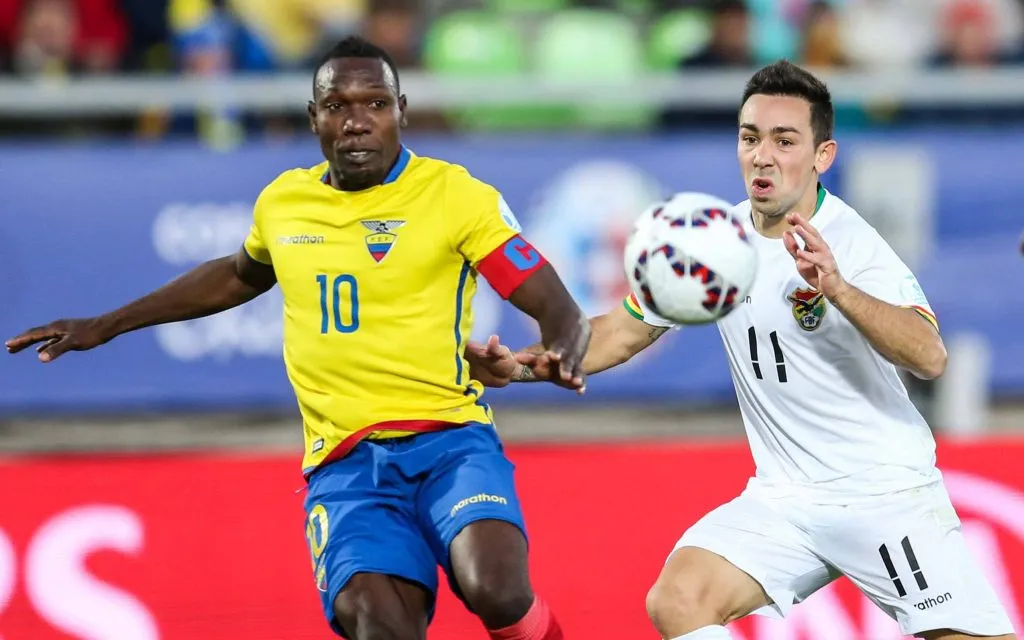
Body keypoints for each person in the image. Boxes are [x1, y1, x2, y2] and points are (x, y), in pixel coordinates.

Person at [6, 36, 589, 640]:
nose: (357, 122)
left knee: (495, 588)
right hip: (344, 468)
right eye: (337, 106)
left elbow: (553, 303)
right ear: (314, 118)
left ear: (402, 110)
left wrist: (563, 343)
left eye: (375, 104)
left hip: (450, 442)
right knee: (376, 623)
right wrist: (106, 324)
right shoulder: (285, 202)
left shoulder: (457, 195)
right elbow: (238, 275)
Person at [469, 61, 1017, 640]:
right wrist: (524, 367)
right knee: (679, 599)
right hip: (784, 501)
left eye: (785, 141)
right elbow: (621, 333)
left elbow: (929, 357)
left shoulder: (852, 244)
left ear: (822, 156)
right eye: (750, 137)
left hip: (883, 494)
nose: (763, 156)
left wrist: (838, 289)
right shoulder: (715, 243)